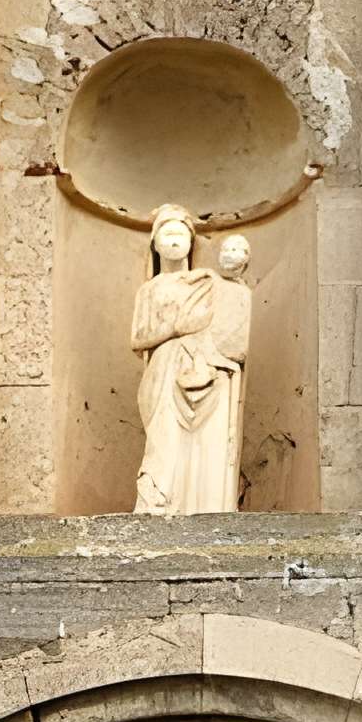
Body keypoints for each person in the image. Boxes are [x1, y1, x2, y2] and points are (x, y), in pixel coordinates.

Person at [130, 207, 248, 513]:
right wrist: (176, 327)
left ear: (191, 242)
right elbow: (139, 338)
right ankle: (160, 502)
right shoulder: (149, 289)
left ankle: (208, 504)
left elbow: (232, 326)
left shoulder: (207, 282)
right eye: (167, 233)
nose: (174, 240)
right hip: (164, 370)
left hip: (207, 365)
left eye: (180, 233)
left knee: (209, 443)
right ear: (154, 243)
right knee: (164, 442)